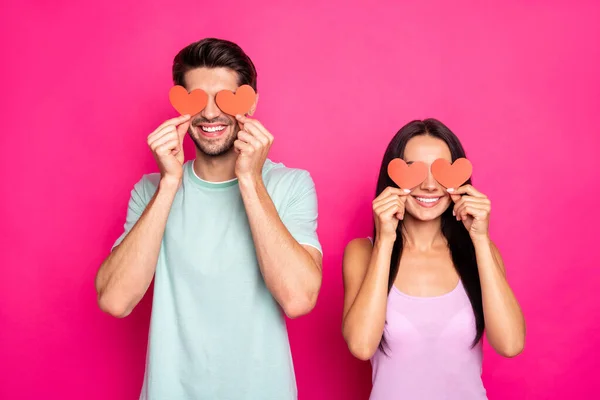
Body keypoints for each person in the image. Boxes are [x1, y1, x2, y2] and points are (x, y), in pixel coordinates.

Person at [94, 38, 323, 400]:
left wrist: (250, 178)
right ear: (179, 104)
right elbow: (115, 301)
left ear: (251, 102)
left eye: (226, 99)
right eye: (197, 99)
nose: (212, 114)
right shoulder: (150, 189)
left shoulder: (290, 185)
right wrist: (170, 182)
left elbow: (297, 299)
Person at [341, 119, 525, 399]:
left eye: (441, 171)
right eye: (414, 171)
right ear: (393, 177)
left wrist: (480, 239)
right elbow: (361, 345)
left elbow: (510, 344)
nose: (428, 186)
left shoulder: (483, 252)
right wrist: (385, 239)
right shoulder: (362, 253)